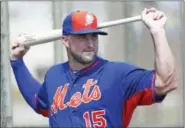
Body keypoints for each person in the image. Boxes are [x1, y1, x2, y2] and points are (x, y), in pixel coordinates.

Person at [10, 8, 177, 128]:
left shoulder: (118, 74)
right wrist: (17, 63)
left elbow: (165, 82)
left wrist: (157, 32)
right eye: (82, 37)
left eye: (94, 36)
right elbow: (38, 102)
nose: (90, 43)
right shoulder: (54, 75)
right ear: (66, 41)